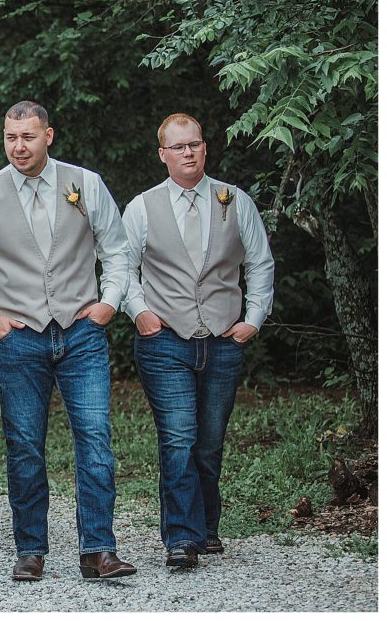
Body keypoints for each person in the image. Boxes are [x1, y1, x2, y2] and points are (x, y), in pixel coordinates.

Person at [0, 100, 136, 582]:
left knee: (95, 438)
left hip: (81, 332)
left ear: (48, 136)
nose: (19, 147)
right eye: (11, 137)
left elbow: (117, 250)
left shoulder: (85, 184)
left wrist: (109, 303)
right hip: (19, 338)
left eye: (28, 137)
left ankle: (98, 550)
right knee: (25, 445)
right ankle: (30, 549)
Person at [121, 112, 274, 569]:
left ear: (205, 148)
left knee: (208, 443)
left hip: (224, 340)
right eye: (178, 147)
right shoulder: (142, 207)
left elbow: (260, 262)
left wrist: (254, 318)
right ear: (163, 154)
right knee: (179, 438)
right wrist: (139, 311)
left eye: (194, 144)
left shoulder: (235, 200)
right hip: (165, 341)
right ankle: (181, 538)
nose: (188, 152)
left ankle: (206, 528)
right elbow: (121, 267)